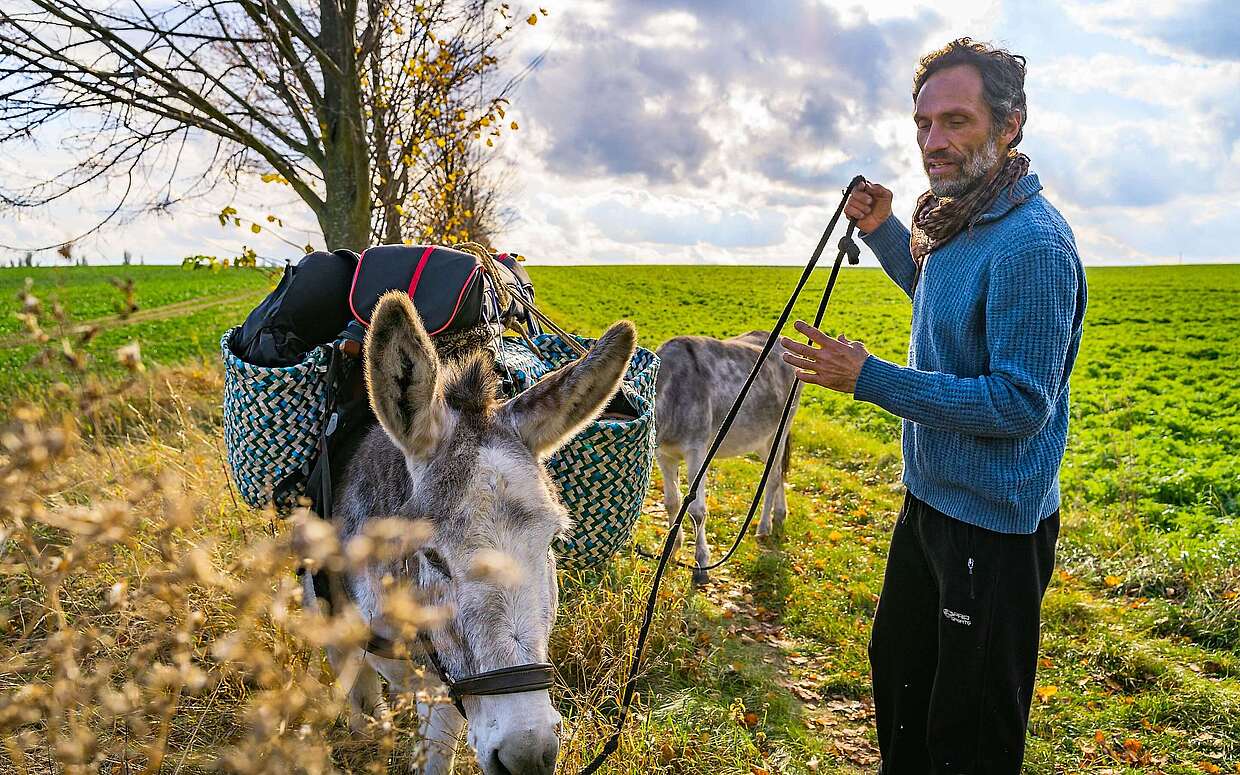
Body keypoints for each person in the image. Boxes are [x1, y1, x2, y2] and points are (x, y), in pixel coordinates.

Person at [780, 38, 1087, 774]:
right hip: (929, 505)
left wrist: (871, 379)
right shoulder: (960, 219)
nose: (932, 142)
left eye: (955, 121)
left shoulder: (1033, 246)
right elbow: (939, 302)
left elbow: (1020, 403)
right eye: (922, 123)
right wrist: (885, 231)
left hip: (993, 527)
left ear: (1009, 125)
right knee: (901, 686)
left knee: (967, 734)